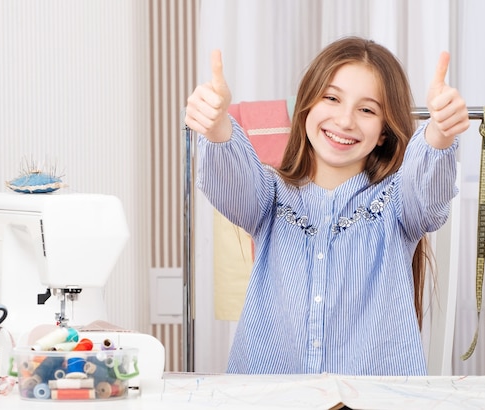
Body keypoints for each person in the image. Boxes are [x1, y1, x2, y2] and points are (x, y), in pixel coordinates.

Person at [184, 36, 469, 376]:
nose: (345, 120)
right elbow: (232, 179)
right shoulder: (267, 195)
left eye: (366, 109)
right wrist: (216, 128)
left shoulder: (398, 202)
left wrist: (439, 133)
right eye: (332, 98)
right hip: (271, 395)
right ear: (306, 105)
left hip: (375, 397)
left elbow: (427, 188)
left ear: (383, 131)